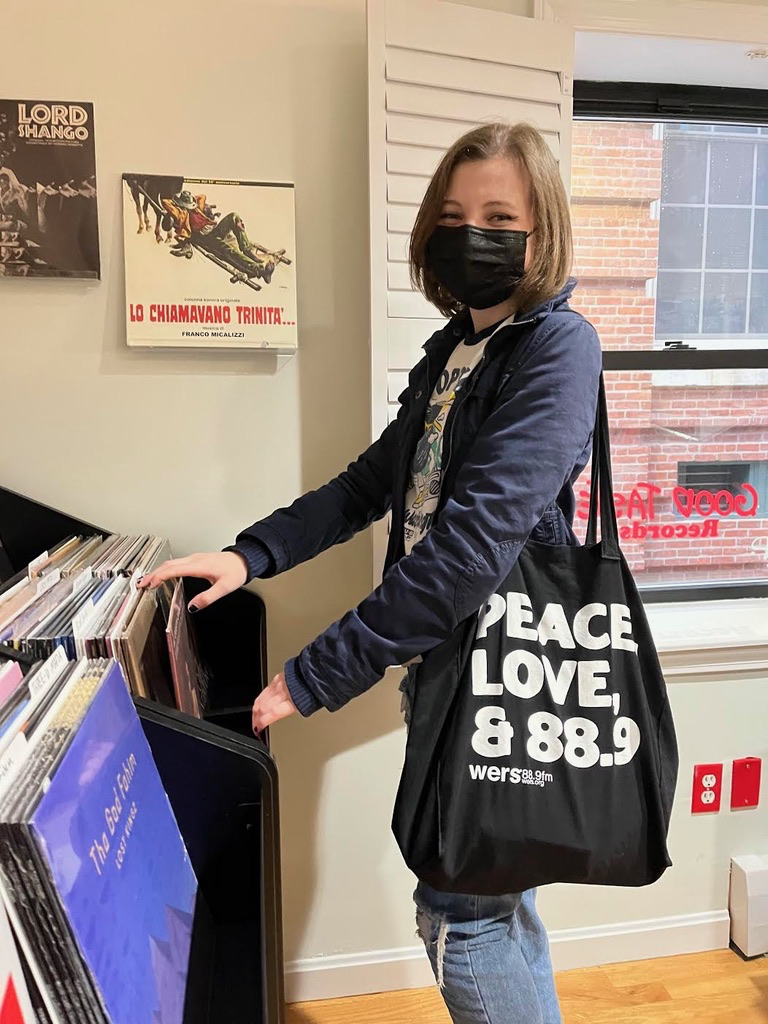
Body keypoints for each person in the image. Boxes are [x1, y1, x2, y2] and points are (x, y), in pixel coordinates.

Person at [138, 121, 602, 1024]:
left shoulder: (558, 349)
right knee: (499, 904)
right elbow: (366, 487)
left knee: (462, 915)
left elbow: (470, 550)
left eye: (502, 215)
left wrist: (316, 676)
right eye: (456, 214)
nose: (476, 234)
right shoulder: (453, 355)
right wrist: (249, 553)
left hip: (502, 673)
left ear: (541, 233)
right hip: (448, 671)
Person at [162, 189, 277, 282]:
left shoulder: (196, 207)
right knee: (228, 250)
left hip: (215, 229)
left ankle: (247, 251)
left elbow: (202, 198)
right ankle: (259, 270)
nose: (191, 206)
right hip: (205, 239)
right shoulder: (180, 213)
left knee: (234, 216)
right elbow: (166, 203)